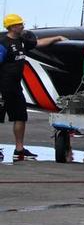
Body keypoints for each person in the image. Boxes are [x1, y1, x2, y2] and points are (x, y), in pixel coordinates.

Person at [1, 14, 66, 160]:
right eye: (20, 24)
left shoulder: (22, 41)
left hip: (16, 86)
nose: (23, 26)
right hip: (3, 86)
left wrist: (57, 38)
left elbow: (39, 43)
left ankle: (19, 148)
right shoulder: (3, 44)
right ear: (12, 27)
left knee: (21, 117)